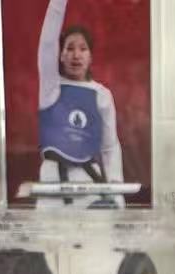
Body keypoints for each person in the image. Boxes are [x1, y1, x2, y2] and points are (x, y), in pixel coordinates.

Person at [36, 0, 126, 204]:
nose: (76, 55)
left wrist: (117, 193)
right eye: (69, 48)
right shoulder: (51, 88)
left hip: (90, 185)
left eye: (83, 49)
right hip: (53, 185)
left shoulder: (102, 94)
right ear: (60, 55)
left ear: (91, 56)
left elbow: (110, 148)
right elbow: (48, 42)